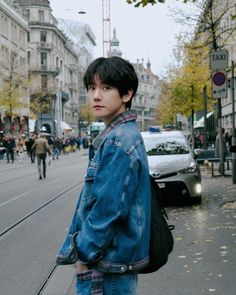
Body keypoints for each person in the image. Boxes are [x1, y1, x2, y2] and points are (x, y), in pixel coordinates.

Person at [57, 56, 151, 295]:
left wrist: (84, 254)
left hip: (106, 267)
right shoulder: (122, 135)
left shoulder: (119, 141)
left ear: (127, 94)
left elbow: (108, 210)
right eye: (91, 88)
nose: (96, 95)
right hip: (113, 263)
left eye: (106, 88)